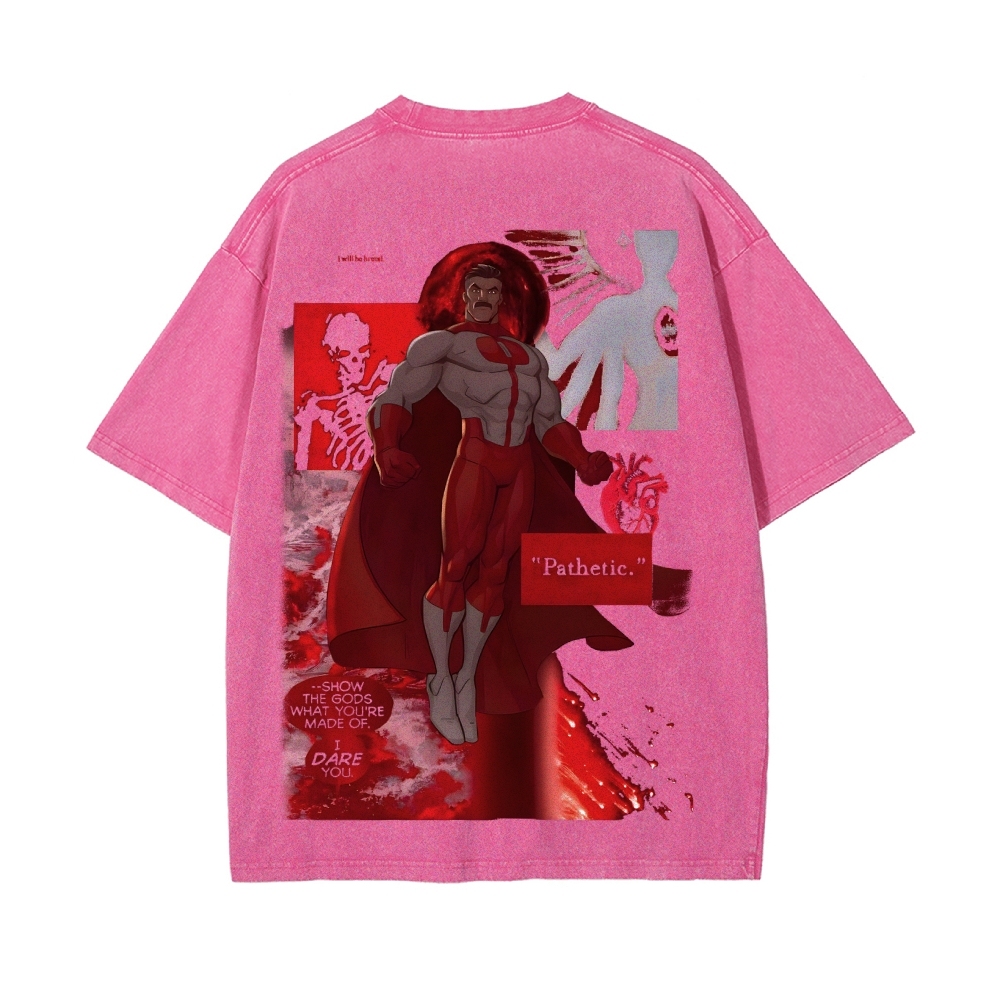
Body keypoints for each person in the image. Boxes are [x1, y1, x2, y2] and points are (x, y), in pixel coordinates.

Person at [368, 262, 614, 743]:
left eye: (492, 290)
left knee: (497, 573)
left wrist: (582, 459)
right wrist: (387, 447)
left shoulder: (530, 360)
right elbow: (396, 396)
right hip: (476, 462)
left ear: (502, 299)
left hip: (518, 469)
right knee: (456, 566)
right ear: (464, 296)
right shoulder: (445, 347)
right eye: (475, 289)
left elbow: (549, 423)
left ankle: (466, 679)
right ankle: (441, 678)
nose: (483, 297)